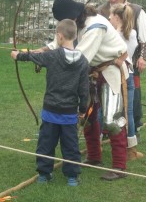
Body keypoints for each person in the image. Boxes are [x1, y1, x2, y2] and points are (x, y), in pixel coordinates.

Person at [50, 0, 129, 181]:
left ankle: (119, 166)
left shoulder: (96, 25)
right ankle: (94, 156)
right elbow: (58, 43)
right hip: (91, 73)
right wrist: (37, 53)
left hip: (110, 70)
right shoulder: (76, 23)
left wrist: (52, 62)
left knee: (112, 120)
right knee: (88, 117)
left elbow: (80, 57)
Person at [11, 19, 89, 187]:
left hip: (50, 110)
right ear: (75, 36)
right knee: (71, 145)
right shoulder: (83, 61)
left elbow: (33, 56)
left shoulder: (53, 56)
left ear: (59, 36)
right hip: (69, 112)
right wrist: (82, 109)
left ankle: (44, 174)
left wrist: (18, 55)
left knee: (46, 142)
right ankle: (72, 177)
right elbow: (84, 91)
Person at [98, 0, 146, 137]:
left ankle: (133, 130)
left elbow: (145, 37)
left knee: (132, 99)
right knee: (105, 98)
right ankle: (106, 129)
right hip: (106, 65)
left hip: (130, 64)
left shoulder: (136, 10)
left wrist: (142, 58)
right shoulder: (101, 11)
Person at [109, 3, 144, 160]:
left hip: (118, 77)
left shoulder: (114, 35)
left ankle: (124, 148)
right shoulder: (133, 33)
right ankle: (130, 148)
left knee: (113, 112)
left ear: (117, 17)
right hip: (127, 76)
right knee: (126, 112)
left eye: (111, 16)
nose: (109, 18)